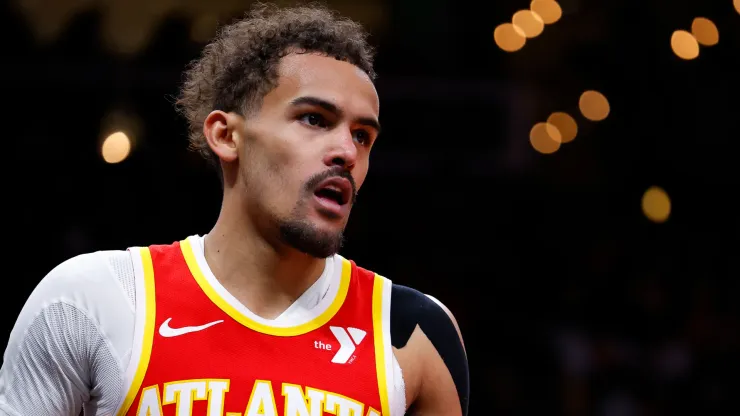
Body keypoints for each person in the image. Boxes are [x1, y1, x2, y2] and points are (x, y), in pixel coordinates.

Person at [0, 3, 469, 415]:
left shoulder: (416, 333)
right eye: (314, 120)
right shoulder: (92, 299)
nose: (346, 151)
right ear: (226, 135)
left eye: (362, 135)